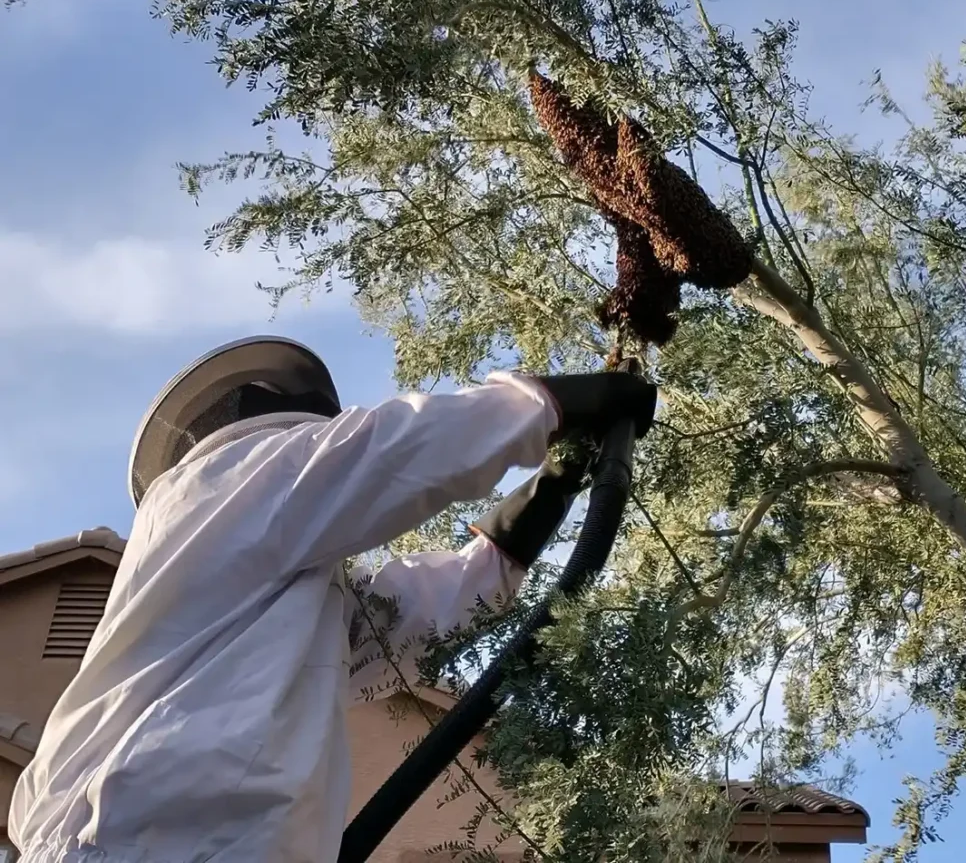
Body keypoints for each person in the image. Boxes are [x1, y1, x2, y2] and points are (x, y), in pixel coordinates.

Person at [9, 336, 656, 863]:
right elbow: (388, 455)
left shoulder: (279, 602)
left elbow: (415, 621)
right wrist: (546, 406)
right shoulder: (211, 485)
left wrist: (547, 493)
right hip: (134, 840)